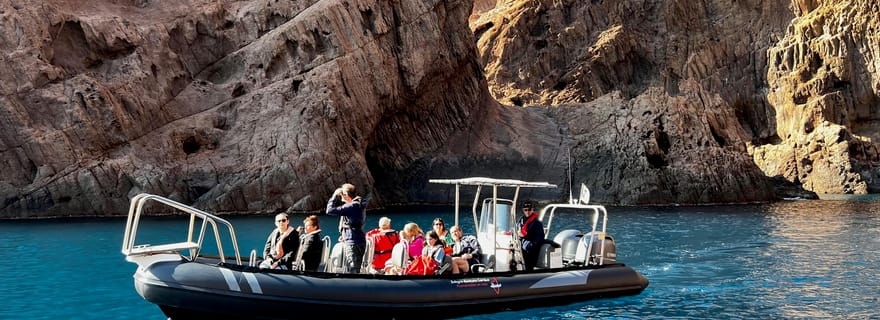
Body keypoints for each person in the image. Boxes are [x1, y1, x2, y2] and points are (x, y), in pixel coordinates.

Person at [325, 183, 367, 273]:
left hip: (353, 242)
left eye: (342, 194)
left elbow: (329, 210)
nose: (341, 197)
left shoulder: (351, 206)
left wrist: (335, 196)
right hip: (356, 239)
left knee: (354, 269)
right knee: (355, 266)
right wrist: (344, 235)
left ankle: (355, 286)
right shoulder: (357, 204)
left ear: (347, 195)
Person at [517, 200, 545, 271]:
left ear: (532, 210)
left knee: (527, 263)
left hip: (531, 249)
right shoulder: (521, 220)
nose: (527, 212)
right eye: (525, 210)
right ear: (523, 210)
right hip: (521, 245)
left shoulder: (537, 223)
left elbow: (540, 238)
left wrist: (531, 245)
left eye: (529, 210)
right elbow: (516, 230)